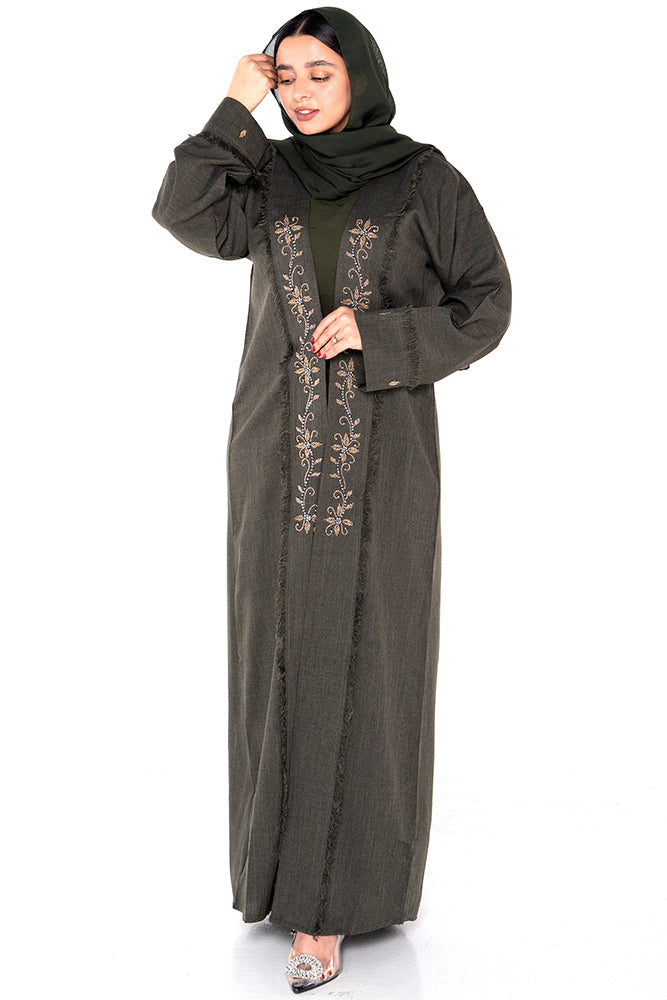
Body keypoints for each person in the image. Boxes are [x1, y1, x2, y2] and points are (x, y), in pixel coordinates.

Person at [152, 6, 511, 993]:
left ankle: (334, 909)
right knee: (273, 657)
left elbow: (484, 301)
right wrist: (236, 103)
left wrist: (379, 333)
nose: (302, 92)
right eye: (287, 75)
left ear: (361, 75)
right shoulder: (265, 173)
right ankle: (278, 882)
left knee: (366, 662)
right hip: (272, 455)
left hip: (382, 463)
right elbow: (182, 210)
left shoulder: (423, 179)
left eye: (321, 72)